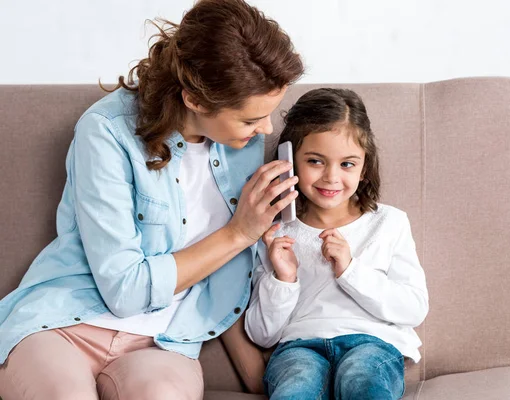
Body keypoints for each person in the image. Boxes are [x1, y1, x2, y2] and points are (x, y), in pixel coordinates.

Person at [0, 0, 303, 399]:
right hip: (64, 324)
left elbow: (222, 278)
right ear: (195, 99)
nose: (266, 129)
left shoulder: (242, 142)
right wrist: (238, 233)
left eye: (268, 114)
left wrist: (261, 380)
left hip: (164, 341)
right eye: (250, 119)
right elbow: (124, 290)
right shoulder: (106, 132)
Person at [244, 88, 429, 400]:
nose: (331, 177)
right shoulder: (274, 231)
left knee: (361, 377)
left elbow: (413, 309)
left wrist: (351, 269)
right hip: (300, 346)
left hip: (371, 342)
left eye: (347, 164)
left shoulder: (389, 223)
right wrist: (283, 279)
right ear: (289, 162)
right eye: (315, 161)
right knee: (295, 387)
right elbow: (262, 335)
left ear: (365, 167)